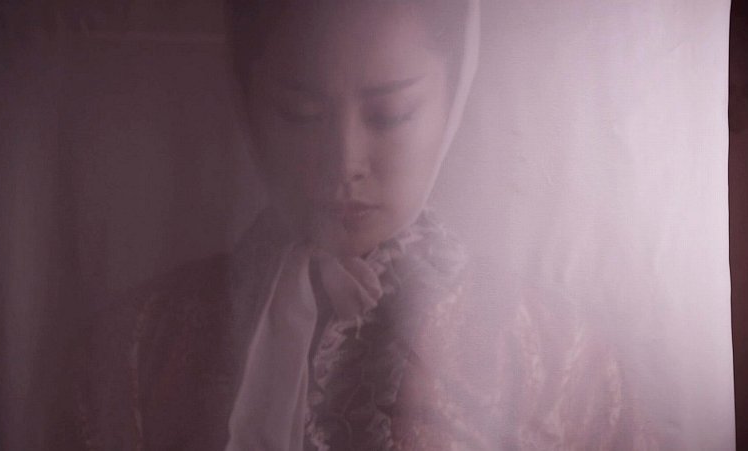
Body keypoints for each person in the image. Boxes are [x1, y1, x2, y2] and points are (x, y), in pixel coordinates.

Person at [73, 1, 658, 449]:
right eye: (300, 114)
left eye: (391, 115)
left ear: (453, 100)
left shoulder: (556, 356)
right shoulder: (141, 343)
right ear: (248, 104)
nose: (344, 162)